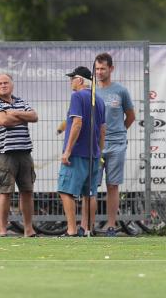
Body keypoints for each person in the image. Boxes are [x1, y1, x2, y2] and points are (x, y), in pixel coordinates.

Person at [0, 73, 38, 237]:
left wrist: (13, 113)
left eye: (6, 83)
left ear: (12, 85)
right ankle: (2, 229)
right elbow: (4, 121)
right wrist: (23, 117)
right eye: (0, 83)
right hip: (3, 154)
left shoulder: (20, 101)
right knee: (5, 192)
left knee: (27, 191)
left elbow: (34, 116)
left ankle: (28, 229)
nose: (3, 85)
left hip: (24, 152)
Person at [58, 66, 106, 237]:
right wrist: (98, 152)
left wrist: (67, 150)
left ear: (80, 80)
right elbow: (102, 130)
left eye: (72, 78)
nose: (70, 81)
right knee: (90, 193)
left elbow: (77, 123)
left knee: (65, 191)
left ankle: (71, 231)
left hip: (77, 153)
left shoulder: (77, 96)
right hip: (93, 154)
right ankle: (88, 229)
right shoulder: (99, 100)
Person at [94, 52, 135, 236]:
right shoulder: (91, 91)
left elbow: (131, 116)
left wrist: (119, 131)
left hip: (116, 143)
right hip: (96, 144)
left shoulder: (121, 91)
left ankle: (111, 225)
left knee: (113, 185)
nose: (99, 72)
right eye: (97, 68)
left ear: (111, 68)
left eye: (103, 68)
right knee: (92, 186)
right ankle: (88, 226)